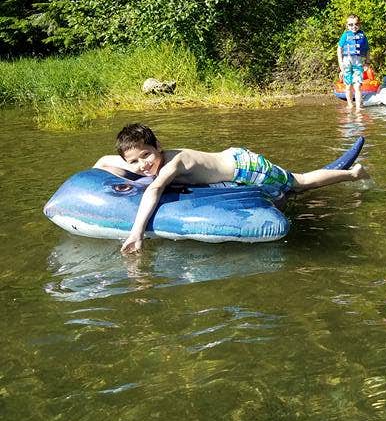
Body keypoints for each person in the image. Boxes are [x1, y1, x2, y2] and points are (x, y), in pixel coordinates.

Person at [94, 123, 367, 254]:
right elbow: (106, 161)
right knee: (292, 187)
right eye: (134, 161)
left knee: (298, 183)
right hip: (231, 161)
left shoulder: (173, 164)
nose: (142, 165)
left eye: (146, 156)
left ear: (159, 149)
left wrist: (136, 233)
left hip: (246, 166)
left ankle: (352, 174)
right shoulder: (143, 163)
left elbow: (154, 190)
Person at [337, 14, 369, 110]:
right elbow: (339, 50)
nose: (353, 26)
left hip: (358, 64)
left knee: (358, 86)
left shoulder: (362, 35)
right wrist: (341, 67)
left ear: (359, 24)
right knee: (348, 86)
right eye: (351, 24)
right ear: (347, 26)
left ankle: (358, 108)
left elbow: (367, 50)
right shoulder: (345, 35)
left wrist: (367, 63)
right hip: (346, 64)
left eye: (356, 24)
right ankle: (350, 105)